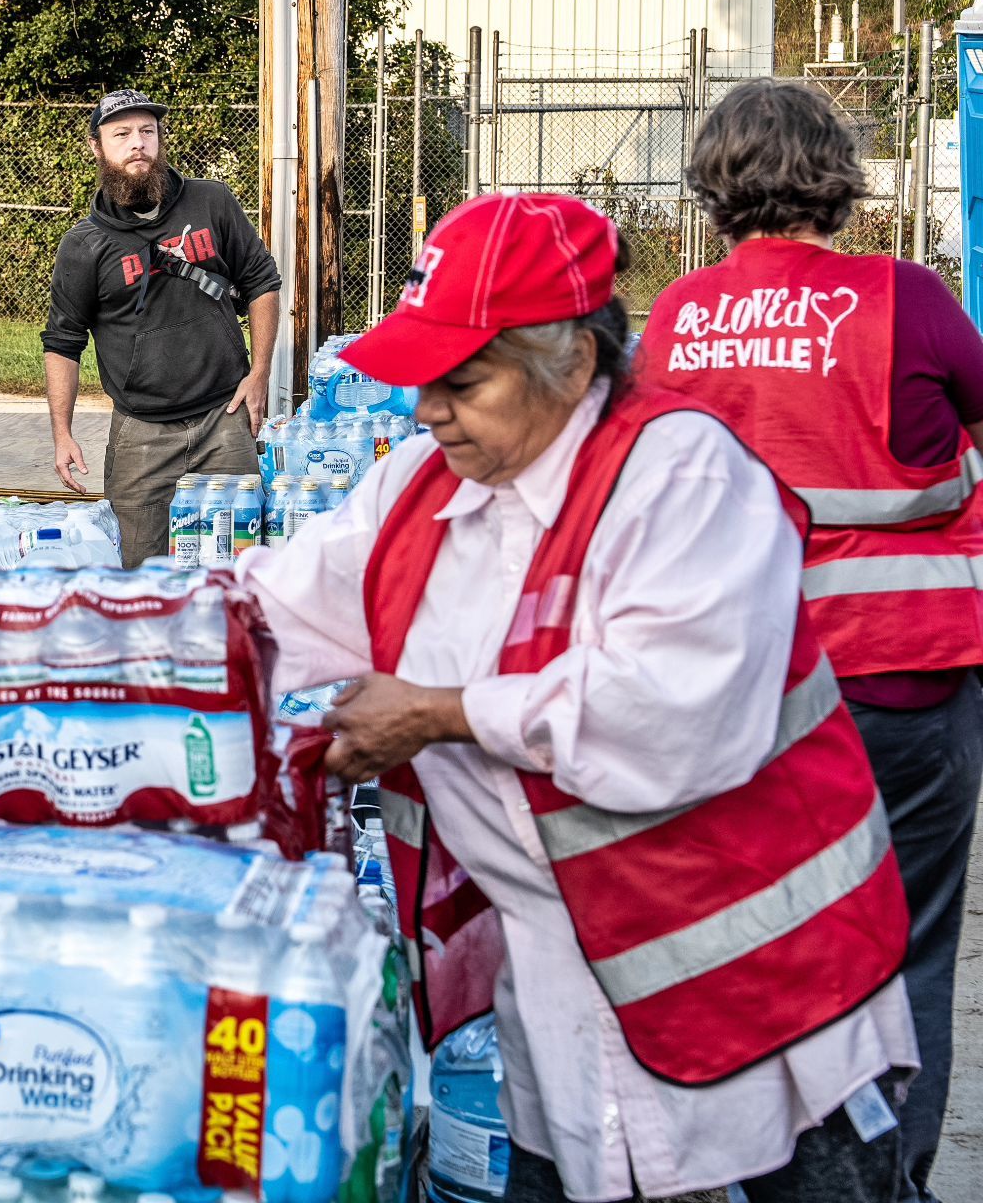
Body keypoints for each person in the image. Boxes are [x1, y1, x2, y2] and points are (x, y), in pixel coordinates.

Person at [237, 192, 918, 1203]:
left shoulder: (681, 476)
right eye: (423, 383)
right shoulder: (420, 489)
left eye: (463, 383)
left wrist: (442, 713)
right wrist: (93, 649)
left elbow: (670, 710)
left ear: (573, 363)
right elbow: (270, 608)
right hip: (564, 1013)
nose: (427, 412)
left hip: (763, 998)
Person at [635, 77, 983, 1203]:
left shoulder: (680, 317)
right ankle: (888, 1179)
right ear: (837, 175)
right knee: (909, 944)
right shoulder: (908, 300)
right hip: (901, 678)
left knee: (760, 942)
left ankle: (768, 1169)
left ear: (714, 184)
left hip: (738, 690)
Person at [42, 88, 281, 566]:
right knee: (139, 572)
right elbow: (63, 342)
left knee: (238, 570)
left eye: (147, 131)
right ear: (96, 147)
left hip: (224, 420)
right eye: (122, 134)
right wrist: (62, 433)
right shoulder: (84, 245)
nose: (138, 143)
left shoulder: (211, 201)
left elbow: (261, 281)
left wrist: (259, 375)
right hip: (141, 433)